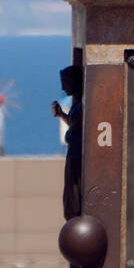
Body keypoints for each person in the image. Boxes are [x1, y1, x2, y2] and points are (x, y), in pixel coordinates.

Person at [51, 65, 83, 221]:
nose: (63, 88)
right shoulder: (77, 103)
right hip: (73, 151)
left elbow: (76, 122)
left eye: (65, 83)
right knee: (70, 189)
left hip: (77, 152)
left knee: (74, 186)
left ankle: (75, 214)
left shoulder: (82, 104)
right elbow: (73, 121)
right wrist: (61, 114)